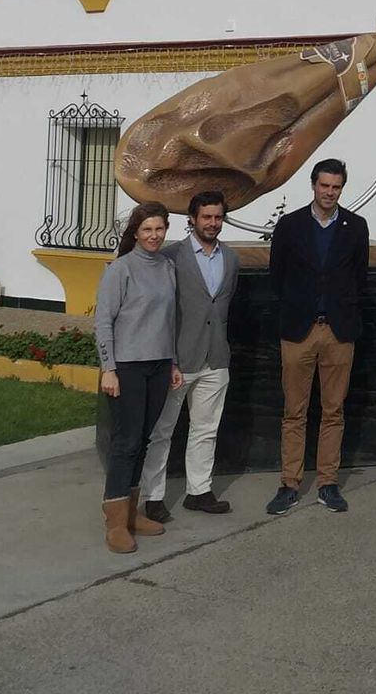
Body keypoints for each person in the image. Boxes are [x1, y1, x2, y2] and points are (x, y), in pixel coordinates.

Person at [266, 158, 370, 515]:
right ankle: (289, 484)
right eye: (324, 185)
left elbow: (359, 277)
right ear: (313, 185)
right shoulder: (290, 225)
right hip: (299, 330)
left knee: (333, 411)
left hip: (338, 331)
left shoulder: (355, 227)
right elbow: (277, 276)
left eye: (336, 187)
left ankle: (328, 483)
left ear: (342, 188)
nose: (329, 192)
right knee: (294, 411)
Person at [139, 190, 241, 522]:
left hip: (216, 358)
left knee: (206, 429)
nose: (212, 223)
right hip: (178, 360)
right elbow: (160, 312)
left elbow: (221, 305)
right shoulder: (170, 257)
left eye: (218, 217)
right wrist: (168, 359)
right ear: (192, 220)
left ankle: (199, 491)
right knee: (162, 431)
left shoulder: (231, 258)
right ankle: (153, 497)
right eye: (206, 217)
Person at [95, 201, 183, 553]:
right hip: (127, 367)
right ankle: (115, 520)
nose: (154, 235)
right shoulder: (121, 269)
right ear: (135, 232)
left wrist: (173, 363)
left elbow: (169, 320)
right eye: (147, 229)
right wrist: (109, 368)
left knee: (143, 440)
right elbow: (103, 321)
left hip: (159, 366)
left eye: (159, 229)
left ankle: (132, 512)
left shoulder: (167, 267)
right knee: (126, 443)